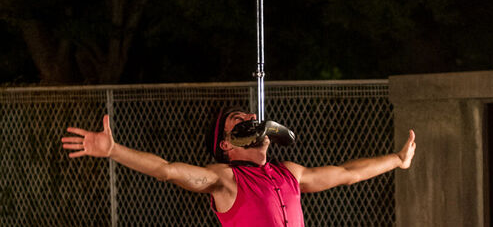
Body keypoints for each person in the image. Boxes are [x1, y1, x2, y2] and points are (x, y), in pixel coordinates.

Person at [61, 107, 416, 227]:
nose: (249, 117)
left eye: (250, 116)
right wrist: (114, 150)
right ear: (226, 145)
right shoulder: (226, 178)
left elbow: (348, 173)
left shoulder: (288, 172)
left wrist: (398, 161)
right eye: (237, 119)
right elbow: (167, 170)